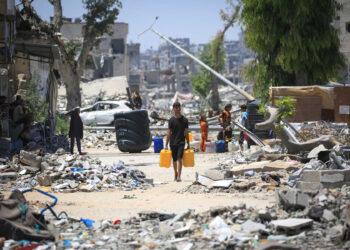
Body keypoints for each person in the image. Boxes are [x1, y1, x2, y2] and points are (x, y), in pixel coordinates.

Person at [165, 102, 190, 182]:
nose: (177, 108)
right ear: (173, 109)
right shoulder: (171, 120)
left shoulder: (185, 120)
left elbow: (186, 132)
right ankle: (175, 173)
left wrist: (188, 143)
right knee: (174, 160)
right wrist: (166, 144)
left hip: (181, 142)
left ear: (180, 108)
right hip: (172, 142)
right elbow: (169, 133)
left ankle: (179, 176)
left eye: (178, 107)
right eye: (176, 107)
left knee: (180, 158)